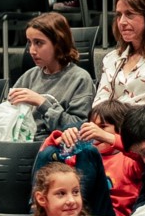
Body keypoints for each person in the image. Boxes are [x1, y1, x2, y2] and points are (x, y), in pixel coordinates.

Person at [42, 100, 142, 216]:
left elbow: (143, 153)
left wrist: (106, 136)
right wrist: (60, 140)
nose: (94, 132)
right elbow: (44, 157)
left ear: (120, 129)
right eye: (91, 126)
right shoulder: (81, 157)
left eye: (103, 127)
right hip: (75, 212)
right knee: (49, 154)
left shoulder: (129, 159)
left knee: (89, 151)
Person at [8, 12, 96, 142]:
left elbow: (78, 127)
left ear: (58, 43)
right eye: (30, 43)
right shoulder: (29, 76)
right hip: (20, 143)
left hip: (53, 147)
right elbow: (8, 115)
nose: (32, 50)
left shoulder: (80, 79)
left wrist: (41, 103)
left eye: (39, 43)